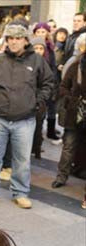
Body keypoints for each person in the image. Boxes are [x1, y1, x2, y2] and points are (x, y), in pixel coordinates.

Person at [0, 23, 54, 209]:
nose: (13, 42)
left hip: (25, 118)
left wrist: (36, 102)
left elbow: (49, 83)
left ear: (25, 40)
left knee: (22, 159)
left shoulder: (36, 60)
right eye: (10, 38)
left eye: (17, 38)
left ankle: (20, 193)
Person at [52, 35, 86, 189]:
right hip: (75, 113)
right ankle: (61, 176)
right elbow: (63, 86)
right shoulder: (75, 65)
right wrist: (72, 99)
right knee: (68, 146)